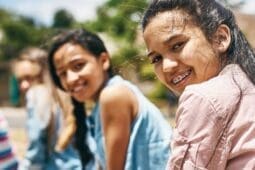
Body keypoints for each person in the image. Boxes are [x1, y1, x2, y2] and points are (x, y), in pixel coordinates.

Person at [142, 0, 255, 169]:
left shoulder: (202, 97)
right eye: (156, 59)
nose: (166, 67)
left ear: (220, 38)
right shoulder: (246, 84)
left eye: (177, 45)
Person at [48, 28, 172, 170]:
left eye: (78, 66)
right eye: (62, 73)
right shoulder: (100, 106)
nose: (70, 79)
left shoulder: (113, 95)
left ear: (104, 60)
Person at [12, 47, 82, 170]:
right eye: (20, 80)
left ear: (43, 74)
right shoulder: (64, 96)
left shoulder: (36, 94)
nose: (23, 85)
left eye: (29, 78)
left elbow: (36, 141)